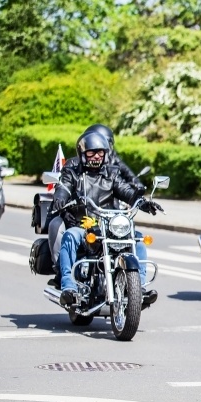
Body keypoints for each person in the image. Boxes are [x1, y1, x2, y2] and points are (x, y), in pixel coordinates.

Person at [51, 131, 161, 307]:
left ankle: (138, 287)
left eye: (100, 152)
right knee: (70, 235)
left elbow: (126, 191)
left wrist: (143, 203)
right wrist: (60, 197)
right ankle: (68, 286)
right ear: (82, 153)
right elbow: (64, 186)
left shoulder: (111, 174)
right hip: (83, 225)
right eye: (92, 152)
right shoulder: (73, 172)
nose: (96, 156)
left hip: (109, 225)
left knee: (138, 239)